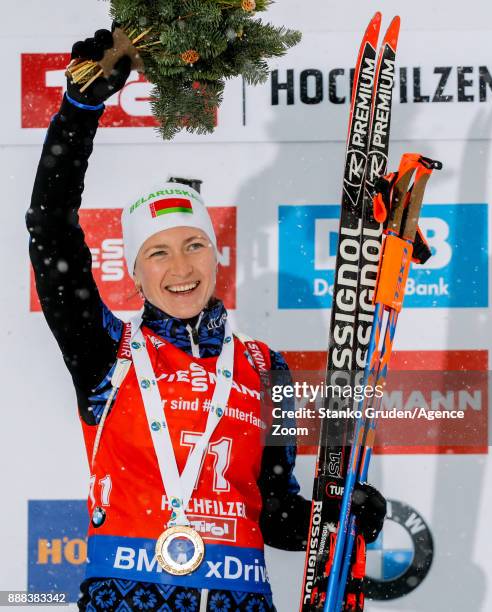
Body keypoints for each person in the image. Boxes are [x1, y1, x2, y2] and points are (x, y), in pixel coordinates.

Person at [27, 28, 386, 612]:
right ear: (135, 274)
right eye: (158, 253)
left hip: (242, 601)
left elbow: (276, 513)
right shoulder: (104, 354)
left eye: (194, 245)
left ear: (217, 254)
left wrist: (340, 515)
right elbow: (49, 227)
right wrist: (80, 107)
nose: (180, 268)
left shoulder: (263, 367)